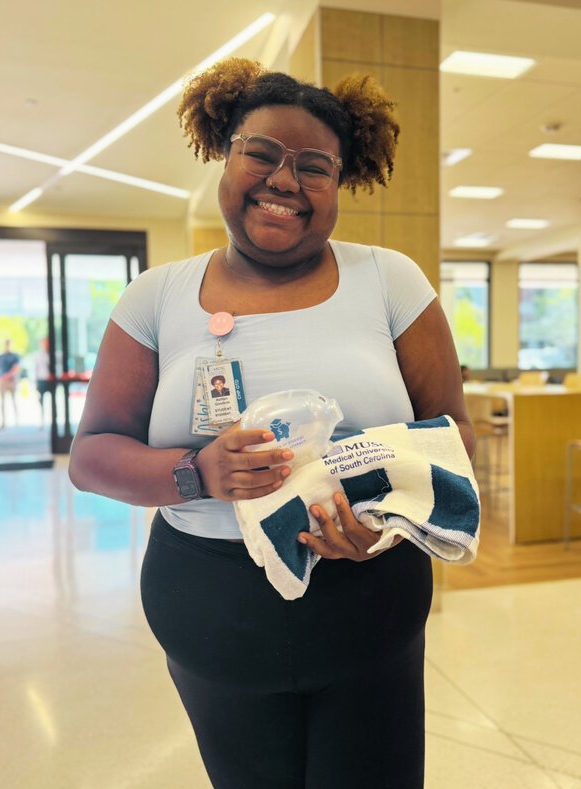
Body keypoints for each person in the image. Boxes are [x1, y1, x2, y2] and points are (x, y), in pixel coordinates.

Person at [69, 57, 475, 789]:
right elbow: (92, 455)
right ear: (224, 154)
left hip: (368, 597)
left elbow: (453, 438)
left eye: (314, 167)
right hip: (213, 606)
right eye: (261, 153)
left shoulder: (389, 280)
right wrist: (197, 471)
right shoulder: (157, 297)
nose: (285, 181)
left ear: (341, 183)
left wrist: (389, 523)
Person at [0, 339, 21, 430]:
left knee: (14, 400)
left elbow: (17, 368)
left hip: (11, 381)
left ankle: (17, 421)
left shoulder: (15, 356)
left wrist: (8, 375)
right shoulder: (0, 357)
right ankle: (3, 422)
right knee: (2, 402)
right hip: (2, 381)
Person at [34, 336, 52, 429]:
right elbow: (35, 369)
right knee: (41, 401)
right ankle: (42, 421)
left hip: (51, 380)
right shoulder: (38, 355)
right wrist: (35, 382)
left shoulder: (53, 354)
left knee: (53, 402)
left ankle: (53, 420)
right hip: (41, 379)